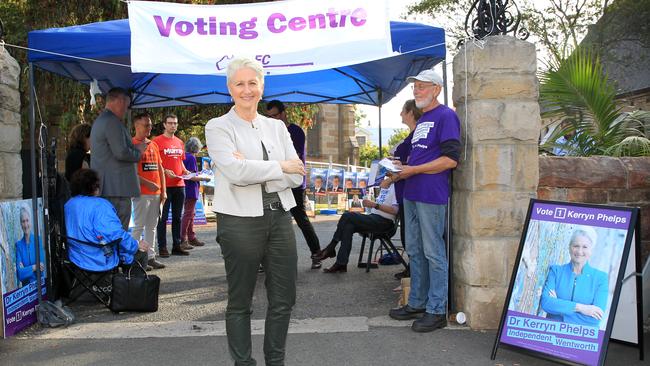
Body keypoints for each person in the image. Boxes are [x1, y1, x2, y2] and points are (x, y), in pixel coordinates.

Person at [204, 57, 305, 366]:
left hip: (280, 217)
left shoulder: (277, 127)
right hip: (238, 222)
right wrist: (278, 167)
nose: (246, 89)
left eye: (252, 83)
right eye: (239, 83)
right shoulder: (217, 127)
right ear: (229, 88)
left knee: (284, 298)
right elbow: (235, 172)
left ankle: (276, 361)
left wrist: (254, 167)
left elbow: (297, 175)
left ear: (262, 87)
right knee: (240, 301)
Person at [388, 69, 460, 333]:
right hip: (413, 192)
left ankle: (437, 309)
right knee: (415, 251)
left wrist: (413, 170)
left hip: (431, 194)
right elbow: (422, 157)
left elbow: (450, 160)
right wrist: (401, 166)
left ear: (437, 89)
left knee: (433, 252)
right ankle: (417, 302)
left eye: (422, 86)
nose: (417, 91)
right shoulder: (424, 119)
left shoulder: (446, 116)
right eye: (415, 87)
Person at [265, 100, 322, 270]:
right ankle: (264, 260)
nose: (273, 119)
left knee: (301, 220)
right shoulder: (269, 133)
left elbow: (290, 157)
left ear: (283, 114)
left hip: (294, 184)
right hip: (275, 182)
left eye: (275, 115)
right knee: (269, 221)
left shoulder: (295, 131)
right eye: (269, 117)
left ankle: (317, 254)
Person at [65, 169, 149, 272]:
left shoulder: (68, 204)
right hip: (99, 260)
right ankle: (130, 286)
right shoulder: (100, 205)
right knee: (141, 252)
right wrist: (135, 245)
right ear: (94, 187)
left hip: (75, 258)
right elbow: (114, 234)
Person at [90, 87, 145, 230]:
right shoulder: (112, 122)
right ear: (120, 101)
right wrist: (138, 152)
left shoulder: (102, 120)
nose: (126, 110)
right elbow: (121, 152)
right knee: (118, 231)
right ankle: (119, 253)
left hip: (110, 186)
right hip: (116, 188)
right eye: (126, 106)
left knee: (111, 230)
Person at [316, 178, 398, 273]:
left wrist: (375, 205)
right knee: (348, 226)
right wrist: (389, 179)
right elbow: (382, 184)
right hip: (374, 217)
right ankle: (341, 263)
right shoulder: (388, 185)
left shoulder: (397, 188)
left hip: (385, 223)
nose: (387, 174)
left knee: (347, 216)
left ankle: (331, 247)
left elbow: (395, 211)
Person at [540, 227, 608, 327]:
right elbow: (546, 303)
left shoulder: (601, 278)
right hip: (551, 333)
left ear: (591, 250)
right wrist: (582, 308)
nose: (579, 251)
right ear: (569, 247)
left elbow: (595, 320)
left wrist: (558, 305)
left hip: (581, 338)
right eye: (576, 246)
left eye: (585, 247)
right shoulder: (556, 271)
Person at [389, 99, 422, 280]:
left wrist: (395, 169)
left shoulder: (415, 137)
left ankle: (413, 274)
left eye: (403, 110)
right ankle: (411, 272)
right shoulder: (411, 137)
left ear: (410, 112)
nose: (401, 114)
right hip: (404, 192)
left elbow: (413, 165)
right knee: (408, 236)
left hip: (409, 192)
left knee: (411, 237)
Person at [131, 112, 167, 270]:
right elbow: (131, 171)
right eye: (146, 125)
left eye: (150, 125)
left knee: (152, 226)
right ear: (136, 126)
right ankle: (133, 257)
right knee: (138, 226)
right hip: (141, 192)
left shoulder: (153, 144)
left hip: (156, 193)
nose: (149, 128)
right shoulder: (131, 144)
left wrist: (163, 190)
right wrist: (148, 183)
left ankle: (150, 256)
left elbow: (160, 168)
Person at [153, 114, 192, 257]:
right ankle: (162, 247)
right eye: (170, 123)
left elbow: (180, 161)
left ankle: (177, 245)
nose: (173, 126)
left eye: (175, 123)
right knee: (162, 218)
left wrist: (186, 171)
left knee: (177, 217)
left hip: (179, 184)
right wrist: (163, 171)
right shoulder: (156, 142)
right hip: (164, 185)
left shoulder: (180, 142)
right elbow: (154, 163)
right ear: (164, 125)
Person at [180, 137, 211, 248]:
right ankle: (183, 239)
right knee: (188, 214)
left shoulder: (185, 156)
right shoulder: (191, 158)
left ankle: (191, 237)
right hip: (191, 189)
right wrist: (204, 178)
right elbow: (191, 177)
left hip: (186, 188)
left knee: (190, 214)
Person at [15, 206, 45, 287]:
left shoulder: (38, 240)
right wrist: (35, 267)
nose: (25, 224)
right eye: (23, 221)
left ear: (30, 221)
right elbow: (19, 274)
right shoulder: (18, 245)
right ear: (20, 224)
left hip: (39, 287)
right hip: (26, 293)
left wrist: (25, 270)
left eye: (27, 220)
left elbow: (42, 269)